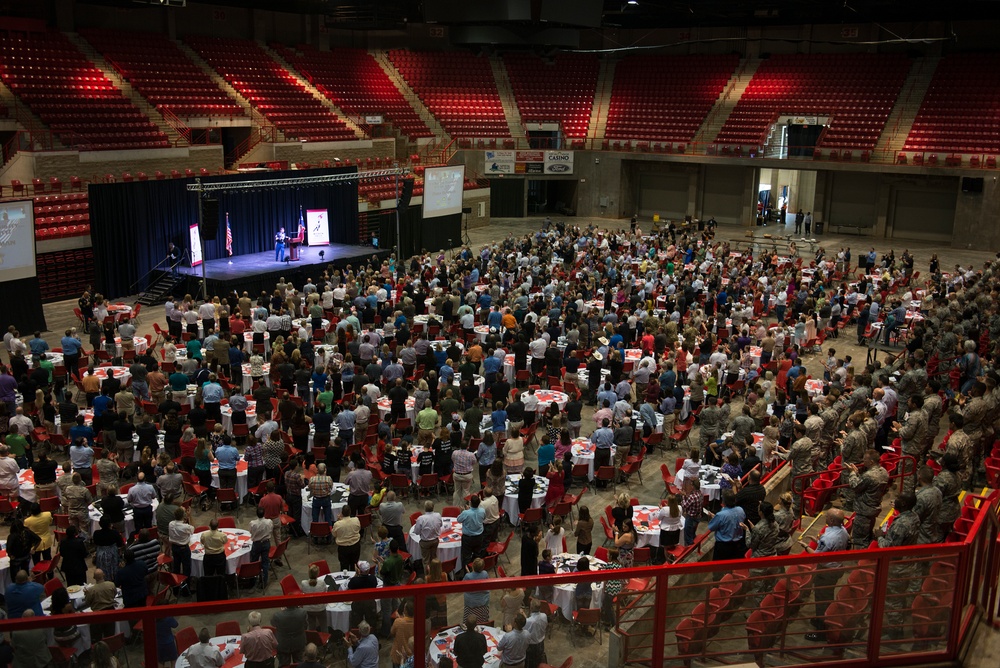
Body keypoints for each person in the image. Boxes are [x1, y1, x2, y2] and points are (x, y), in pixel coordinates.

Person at [800, 508, 851, 641]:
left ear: (832, 520)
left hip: (826, 572)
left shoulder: (828, 537)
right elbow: (831, 547)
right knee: (827, 596)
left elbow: (817, 557)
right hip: (837, 568)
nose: (825, 518)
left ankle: (822, 631)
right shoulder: (844, 531)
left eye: (827, 516)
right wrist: (818, 542)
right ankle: (822, 619)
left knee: (822, 600)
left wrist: (805, 547)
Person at [705, 490, 746, 562]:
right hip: (738, 545)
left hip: (723, 547)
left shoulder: (721, 515)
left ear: (723, 502)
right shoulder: (741, 510)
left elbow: (711, 527)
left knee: (719, 570)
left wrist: (714, 518)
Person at [249, 506, 274, 589]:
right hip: (266, 543)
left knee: (253, 562)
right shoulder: (269, 522)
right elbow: (271, 530)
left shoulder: (253, 523)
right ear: (264, 514)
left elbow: (251, 532)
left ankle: (252, 580)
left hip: (257, 544)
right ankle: (264, 581)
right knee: (265, 562)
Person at [463, 558, 491, 624]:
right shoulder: (485, 573)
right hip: (483, 601)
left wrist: (469, 573)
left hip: (471, 603)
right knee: (482, 619)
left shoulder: (468, 576)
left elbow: (463, 585)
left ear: (473, 566)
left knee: (470, 619)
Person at [334, 505, 362, 572]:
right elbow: (359, 528)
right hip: (355, 546)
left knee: (344, 567)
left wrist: (338, 520)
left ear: (342, 513)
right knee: (354, 566)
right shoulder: (356, 520)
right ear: (350, 512)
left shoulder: (337, 524)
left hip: (343, 548)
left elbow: (334, 534)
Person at [414, 500, 443, 565]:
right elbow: (440, 525)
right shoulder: (438, 515)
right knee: (434, 558)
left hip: (425, 542)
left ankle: (427, 574)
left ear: (425, 508)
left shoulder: (421, 519)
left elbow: (416, 532)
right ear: (433, 507)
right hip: (435, 540)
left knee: (426, 561)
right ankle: (435, 572)